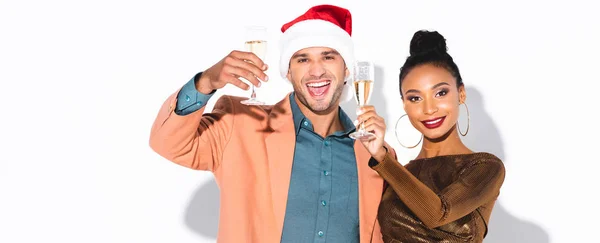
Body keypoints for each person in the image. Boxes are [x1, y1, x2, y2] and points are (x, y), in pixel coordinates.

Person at [149, 4, 392, 243]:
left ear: (347, 68)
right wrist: (206, 82)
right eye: (302, 60)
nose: (317, 71)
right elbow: (169, 144)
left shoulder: (375, 154)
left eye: (328, 57)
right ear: (288, 71)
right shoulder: (240, 123)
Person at [356, 30, 505, 242]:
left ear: (460, 93)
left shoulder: (485, 168)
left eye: (441, 93)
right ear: (405, 105)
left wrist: (382, 158)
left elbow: (438, 214)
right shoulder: (399, 172)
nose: (429, 109)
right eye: (415, 98)